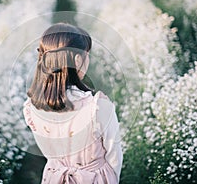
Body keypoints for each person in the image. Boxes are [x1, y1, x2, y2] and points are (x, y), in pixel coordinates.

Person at [22, 22, 123, 183]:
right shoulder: (98, 107)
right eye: (87, 54)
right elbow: (115, 158)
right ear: (77, 60)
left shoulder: (32, 106)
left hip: (54, 178)